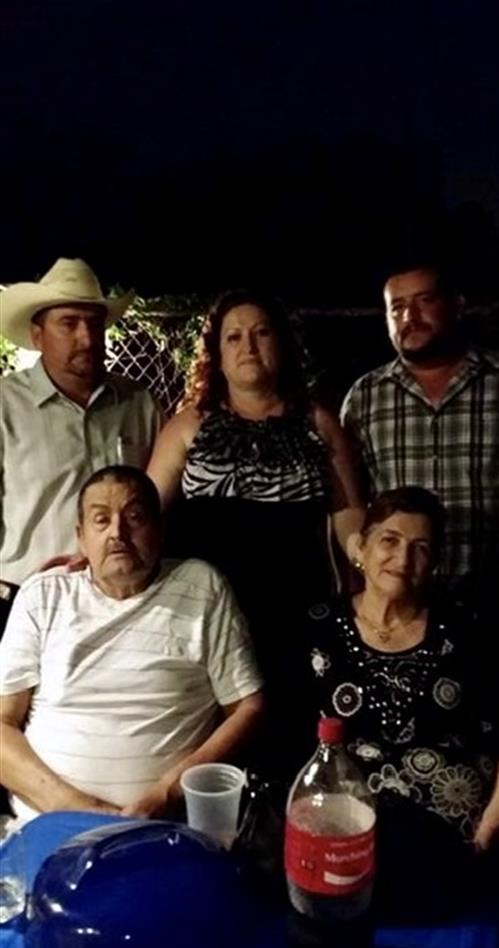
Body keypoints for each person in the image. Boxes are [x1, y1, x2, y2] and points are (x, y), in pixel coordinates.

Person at [146, 289, 364, 766]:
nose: (248, 346)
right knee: (209, 735)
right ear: (217, 355)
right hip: (208, 610)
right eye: (234, 336)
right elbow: (146, 509)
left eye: (261, 333)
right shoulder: (187, 426)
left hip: (297, 609)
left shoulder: (319, 423)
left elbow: (349, 515)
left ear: (281, 345)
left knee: (290, 732)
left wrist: (371, 569)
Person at [0, 466, 263, 823]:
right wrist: (76, 808)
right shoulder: (42, 595)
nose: (117, 533)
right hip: (50, 826)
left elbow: (247, 706)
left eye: (135, 517)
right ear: (81, 537)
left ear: (160, 528)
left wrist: (167, 793)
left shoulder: (202, 586)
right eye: (101, 520)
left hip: (166, 826)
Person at [306, 487, 499, 849]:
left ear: (435, 563)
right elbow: (290, 749)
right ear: (361, 548)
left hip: (456, 848)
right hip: (345, 842)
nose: (403, 558)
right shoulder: (317, 629)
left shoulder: (469, 631)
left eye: (421, 547)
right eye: (389, 540)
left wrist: (485, 843)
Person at [341, 263, 499, 627]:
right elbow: (351, 505)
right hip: (401, 608)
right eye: (397, 307)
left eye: (425, 301)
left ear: (457, 305)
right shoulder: (365, 397)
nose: (410, 316)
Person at [0, 258, 162, 632]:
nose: (87, 338)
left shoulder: (138, 402)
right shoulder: (6, 405)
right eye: (69, 324)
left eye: (93, 323)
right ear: (38, 335)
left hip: (123, 604)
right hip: (26, 605)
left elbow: (158, 501)